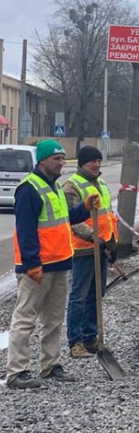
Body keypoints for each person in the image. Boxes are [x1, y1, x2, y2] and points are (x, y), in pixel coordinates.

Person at [7, 139, 99, 389]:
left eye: (62, 158)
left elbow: (64, 218)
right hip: (38, 267)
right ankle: (17, 371)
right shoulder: (29, 188)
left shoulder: (55, 187)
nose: (61, 163)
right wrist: (31, 263)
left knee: (54, 320)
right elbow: (25, 230)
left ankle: (50, 365)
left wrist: (84, 208)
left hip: (59, 263)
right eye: (56, 159)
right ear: (43, 160)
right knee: (25, 319)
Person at [63, 146, 118, 358]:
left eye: (98, 161)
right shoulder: (72, 186)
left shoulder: (101, 184)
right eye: (91, 161)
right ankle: (75, 342)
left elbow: (107, 216)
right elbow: (71, 219)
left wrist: (112, 244)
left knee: (97, 294)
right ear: (82, 164)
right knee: (79, 296)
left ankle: (90, 337)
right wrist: (93, 237)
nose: (96, 165)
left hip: (101, 248)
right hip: (83, 249)